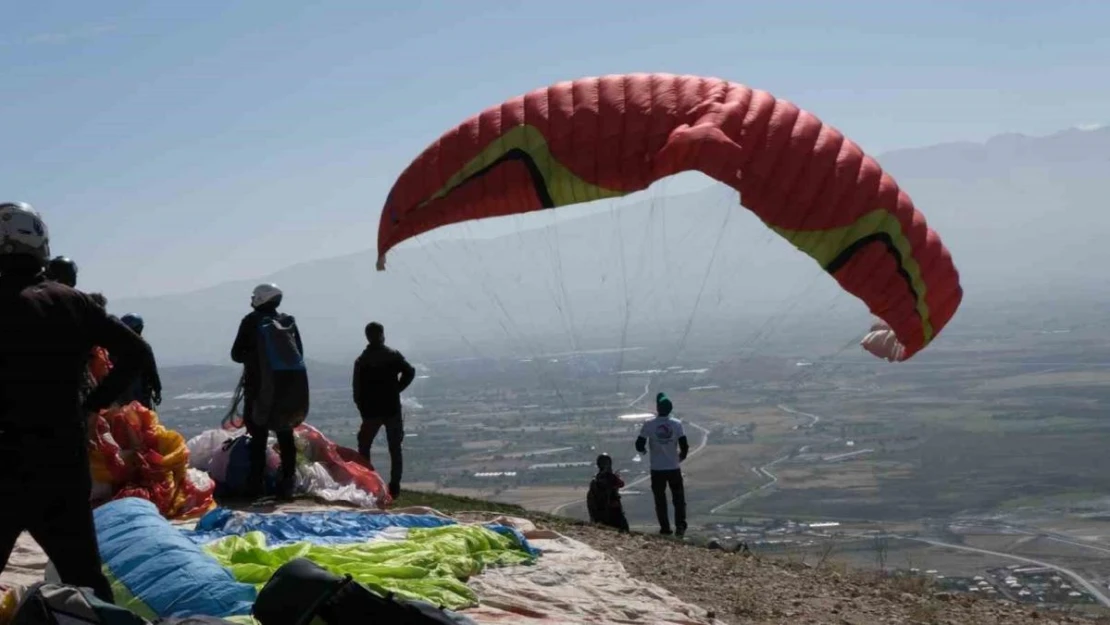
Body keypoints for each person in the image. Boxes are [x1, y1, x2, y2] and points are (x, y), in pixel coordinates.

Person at [0, 202, 154, 602]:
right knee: (85, 578)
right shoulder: (72, 301)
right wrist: (93, 405)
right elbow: (136, 351)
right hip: (60, 465)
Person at [231, 284, 302, 500]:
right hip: (286, 388)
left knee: (258, 436)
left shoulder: (251, 321)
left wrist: (253, 358)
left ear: (261, 298)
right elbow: (298, 352)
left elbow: (236, 354)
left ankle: (255, 486)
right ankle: (287, 483)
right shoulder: (287, 322)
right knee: (285, 435)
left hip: (258, 387)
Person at [352, 322, 415, 500]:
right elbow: (409, 372)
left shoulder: (362, 360)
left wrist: (363, 409)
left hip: (371, 411)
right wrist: (397, 389)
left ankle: (368, 481)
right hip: (391, 408)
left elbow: (356, 390)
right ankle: (394, 485)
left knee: (364, 445)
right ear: (382, 335)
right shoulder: (392, 356)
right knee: (395, 447)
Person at [635, 392, 690, 537]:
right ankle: (680, 526)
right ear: (670, 409)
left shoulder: (649, 424)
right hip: (673, 468)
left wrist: (644, 451)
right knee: (678, 499)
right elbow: (684, 445)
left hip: (657, 469)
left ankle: (665, 529)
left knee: (660, 501)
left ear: (658, 408)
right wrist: (680, 458)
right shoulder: (677, 424)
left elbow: (639, 444)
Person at [111, 313, 163, 410]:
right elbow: (152, 370)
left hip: (120, 394)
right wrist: (157, 389)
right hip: (139, 393)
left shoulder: (114, 348)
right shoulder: (144, 347)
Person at [586, 453, 630, 532]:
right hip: (611, 508)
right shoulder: (607, 477)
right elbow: (621, 484)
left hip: (601, 510)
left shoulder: (596, 478)